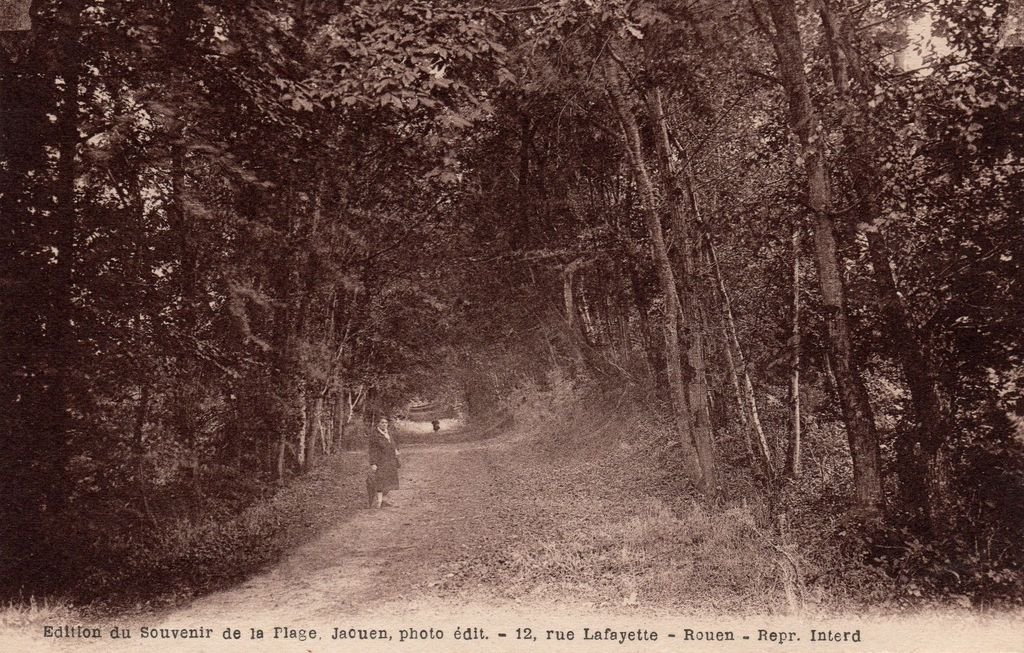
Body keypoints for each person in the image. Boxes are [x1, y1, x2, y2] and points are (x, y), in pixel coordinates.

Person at [367, 416, 400, 509]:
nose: (384, 424)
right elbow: (372, 450)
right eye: (382, 422)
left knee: (389, 480)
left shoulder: (389, 433)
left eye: (385, 423)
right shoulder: (374, 436)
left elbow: (393, 444)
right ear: (378, 424)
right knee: (380, 481)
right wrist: (373, 463)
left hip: (390, 460)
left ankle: (384, 500)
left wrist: (396, 450)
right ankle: (379, 501)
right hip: (380, 461)